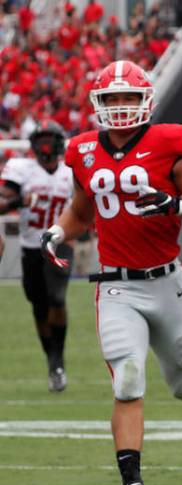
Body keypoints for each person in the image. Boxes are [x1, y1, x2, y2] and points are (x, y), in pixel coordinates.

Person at [42, 60, 182, 485]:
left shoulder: (168, 142)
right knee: (127, 378)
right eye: (112, 99)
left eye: (128, 98)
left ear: (146, 102)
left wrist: (174, 204)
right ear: (97, 105)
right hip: (117, 286)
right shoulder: (82, 150)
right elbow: (80, 213)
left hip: (167, 282)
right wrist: (58, 233)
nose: (120, 107)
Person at [0, 120, 74, 391]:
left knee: (57, 298)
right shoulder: (22, 169)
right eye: (41, 137)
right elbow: (1, 203)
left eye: (50, 137)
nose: (46, 144)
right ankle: (52, 360)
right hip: (31, 247)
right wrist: (18, 202)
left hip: (60, 242)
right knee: (39, 307)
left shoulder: (70, 170)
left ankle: (58, 360)